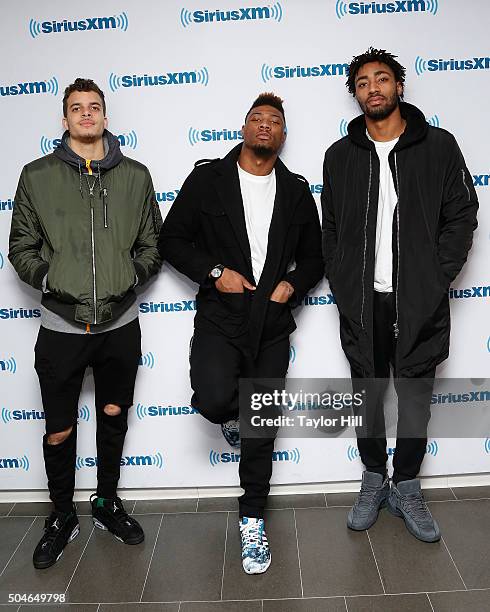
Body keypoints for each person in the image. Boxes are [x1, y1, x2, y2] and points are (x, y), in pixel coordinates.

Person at [158, 93, 323, 573]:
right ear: (244, 128)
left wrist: (291, 284)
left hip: (271, 324)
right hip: (220, 316)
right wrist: (214, 271)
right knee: (212, 398)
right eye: (257, 118)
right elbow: (172, 240)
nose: (265, 126)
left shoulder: (294, 190)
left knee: (261, 425)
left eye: (275, 121)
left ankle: (252, 518)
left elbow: (315, 255)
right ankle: (231, 417)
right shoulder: (208, 178)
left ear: (283, 136)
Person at [321, 48, 478, 542]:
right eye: (363, 82)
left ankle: (406, 484)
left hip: (420, 301)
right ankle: (373, 477)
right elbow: (331, 230)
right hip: (363, 302)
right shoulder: (340, 156)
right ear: (356, 94)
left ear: (399, 87)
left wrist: (435, 277)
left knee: (414, 402)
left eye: (382, 79)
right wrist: (345, 283)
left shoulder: (439, 147)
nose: (373, 88)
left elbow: (462, 216)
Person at [8, 78, 162, 569]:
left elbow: (152, 246)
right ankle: (60, 515)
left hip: (121, 324)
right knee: (59, 429)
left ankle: (106, 502)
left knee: (114, 415)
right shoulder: (36, 175)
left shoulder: (136, 176)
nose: (86, 115)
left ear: (105, 116)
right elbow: (21, 247)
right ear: (65, 119)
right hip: (61, 327)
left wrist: (128, 277)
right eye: (77, 109)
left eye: (94, 107)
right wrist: (54, 279)